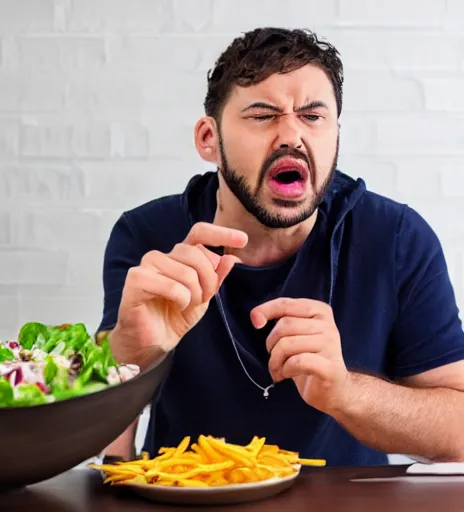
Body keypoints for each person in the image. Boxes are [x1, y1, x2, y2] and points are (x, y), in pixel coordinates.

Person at [97, 27, 464, 466]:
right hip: (181, 497)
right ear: (208, 139)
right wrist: (127, 356)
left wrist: (346, 393)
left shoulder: (397, 238)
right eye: (262, 115)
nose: (292, 135)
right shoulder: (147, 236)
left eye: (312, 116)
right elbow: (107, 447)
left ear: (336, 135)